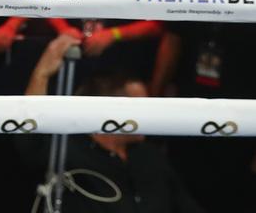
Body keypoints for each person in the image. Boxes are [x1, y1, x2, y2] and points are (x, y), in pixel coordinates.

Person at [150, 0, 256, 213]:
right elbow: (172, 42)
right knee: (184, 193)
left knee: (240, 198)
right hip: (190, 108)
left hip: (247, 117)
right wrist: (153, 103)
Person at [21, 35, 205, 213]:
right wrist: (42, 74)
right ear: (111, 113)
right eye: (141, 107)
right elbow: (29, 136)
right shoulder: (68, 153)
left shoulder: (150, 157)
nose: (150, 115)